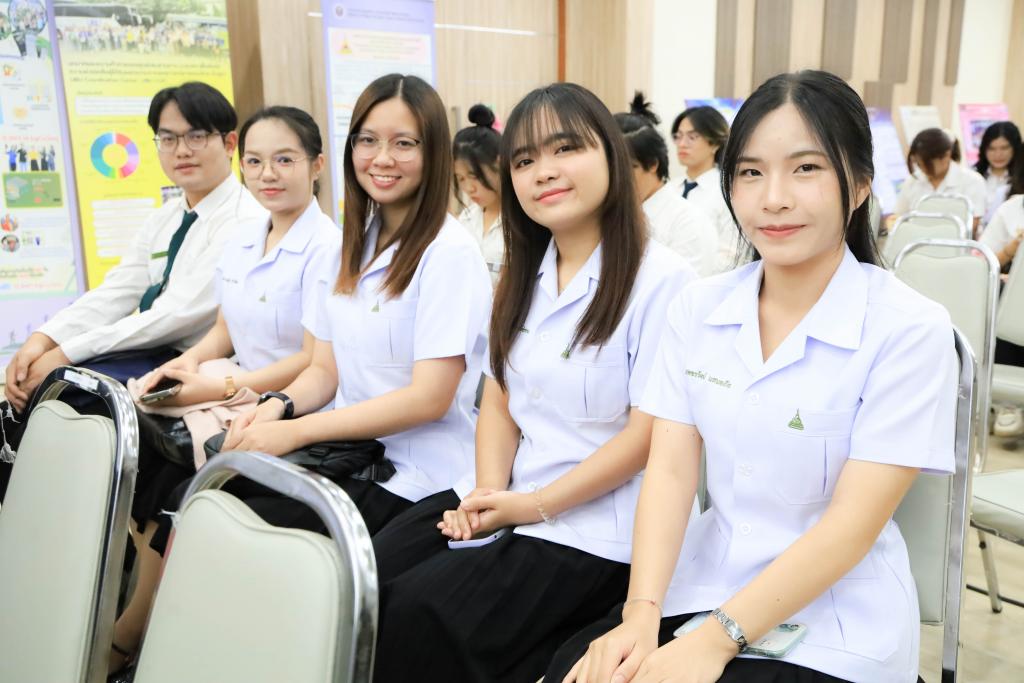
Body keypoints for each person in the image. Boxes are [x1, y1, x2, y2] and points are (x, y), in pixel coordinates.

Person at [548, 70, 957, 683]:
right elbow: (671, 470)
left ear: (860, 184)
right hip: (703, 586)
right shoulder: (698, 306)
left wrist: (717, 641)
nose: (774, 198)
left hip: (836, 621)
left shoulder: (910, 328)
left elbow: (851, 526)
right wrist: (640, 613)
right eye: (750, 172)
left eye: (806, 168)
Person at [370, 82, 695, 683]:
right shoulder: (523, 271)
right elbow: (498, 400)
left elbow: (647, 438)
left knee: (420, 615)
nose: (543, 171)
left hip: (594, 527)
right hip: (509, 495)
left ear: (611, 156)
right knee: (368, 575)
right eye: (523, 160)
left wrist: (528, 507)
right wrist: (488, 495)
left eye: (565, 149)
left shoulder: (665, 282)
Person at [174, 73, 491, 540]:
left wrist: (300, 431)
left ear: (434, 154)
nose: (382, 158)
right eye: (368, 140)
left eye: (404, 143)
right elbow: (324, 369)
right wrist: (278, 405)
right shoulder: (347, 247)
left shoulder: (450, 253)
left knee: (247, 528)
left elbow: (429, 398)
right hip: (345, 454)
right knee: (204, 502)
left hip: (418, 472)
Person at [107, 105, 339, 673]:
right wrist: (184, 367)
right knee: (136, 447)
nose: (267, 174)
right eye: (254, 162)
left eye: (284, 160)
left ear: (317, 165)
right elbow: (223, 329)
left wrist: (220, 386)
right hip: (229, 384)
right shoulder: (243, 237)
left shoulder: (328, 248)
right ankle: (143, 617)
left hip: (291, 400)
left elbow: (312, 361)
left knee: (180, 484)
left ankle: (142, 628)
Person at [1, 82, 264, 497]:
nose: (182, 150)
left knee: (66, 398)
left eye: (196, 136)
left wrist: (66, 354)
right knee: (27, 404)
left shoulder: (247, 220)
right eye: (168, 138)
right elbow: (116, 292)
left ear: (229, 143)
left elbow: (174, 316)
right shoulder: (165, 217)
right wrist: (44, 338)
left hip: (190, 363)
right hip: (149, 351)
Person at [616, 92, 718, 276]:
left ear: (652, 164)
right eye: (678, 136)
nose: (616, 178)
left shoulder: (688, 223)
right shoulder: (613, 212)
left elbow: (685, 288)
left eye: (626, 168)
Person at [670, 105, 739, 272]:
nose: (682, 144)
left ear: (715, 144)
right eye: (678, 136)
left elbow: (731, 254)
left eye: (692, 137)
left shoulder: (727, 191)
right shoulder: (670, 188)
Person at [893, 127, 986, 234]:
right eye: (918, 164)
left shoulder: (972, 181)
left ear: (946, 155)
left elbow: (972, 224)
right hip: (917, 241)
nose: (922, 169)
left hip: (956, 242)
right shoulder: (913, 181)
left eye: (927, 164)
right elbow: (899, 216)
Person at [454, 103, 504, 286]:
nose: (468, 188)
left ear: (499, 164)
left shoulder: (522, 221)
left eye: (474, 176)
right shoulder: (466, 218)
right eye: (460, 178)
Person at [974, 121, 1021, 227]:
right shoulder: (973, 177)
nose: (998, 155)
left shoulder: (1021, 180)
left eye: (1004, 148)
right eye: (992, 148)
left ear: (1015, 148)